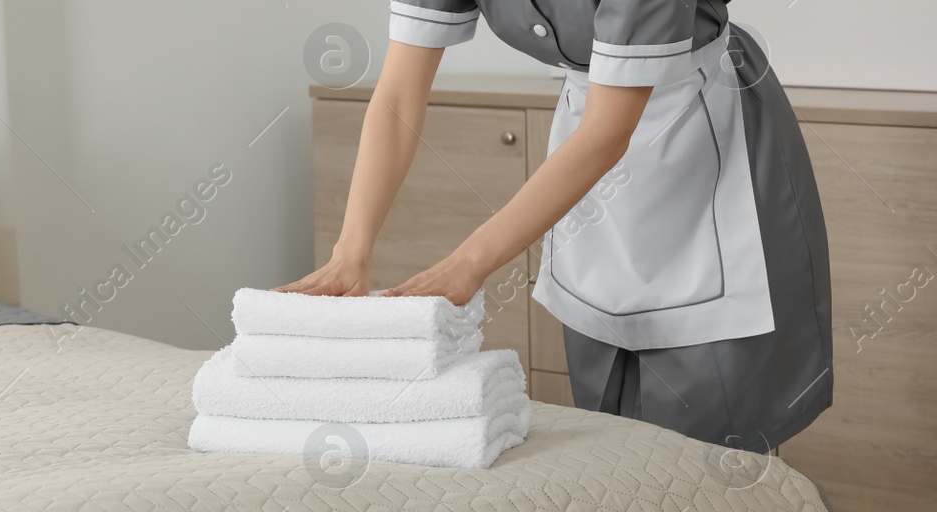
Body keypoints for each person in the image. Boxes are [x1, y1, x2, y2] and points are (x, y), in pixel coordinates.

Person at [276, 0, 831, 453]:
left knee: (707, 450)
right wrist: (352, 251)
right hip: (583, 172)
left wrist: (466, 264)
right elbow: (398, 93)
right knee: (608, 433)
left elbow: (610, 132)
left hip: (703, 150)